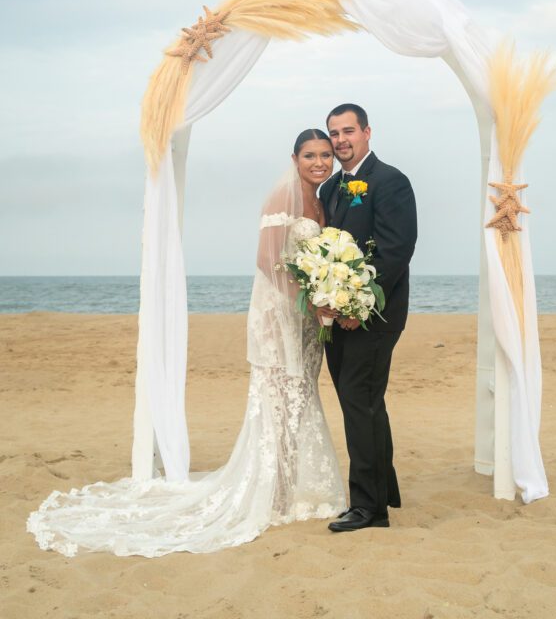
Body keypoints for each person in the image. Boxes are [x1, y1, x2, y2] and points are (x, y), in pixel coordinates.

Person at [27, 130, 346, 557]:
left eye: (326, 155)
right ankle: (272, 494)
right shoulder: (279, 198)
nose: (320, 162)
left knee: (300, 399)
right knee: (276, 402)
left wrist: (320, 303)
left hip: (306, 322)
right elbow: (267, 261)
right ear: (295, 157)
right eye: (311, 155)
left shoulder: (320, 202)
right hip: (280, 317)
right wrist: (309, 306)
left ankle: (286, 489)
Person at [318, 104, 417, 532]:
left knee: (359, 402)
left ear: (367, 132)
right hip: (337, 316)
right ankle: (384, 489)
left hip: (374, 316)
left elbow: (396, 250)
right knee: (364, 404)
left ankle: (368, 509)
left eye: (348, 131)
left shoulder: (390, 181)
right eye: (334, 133)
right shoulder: (330, 189)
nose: (340, 140)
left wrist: (361, 307)